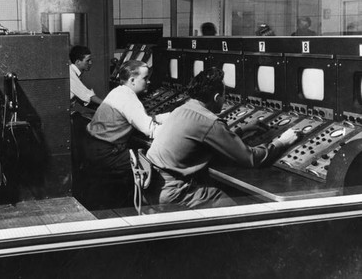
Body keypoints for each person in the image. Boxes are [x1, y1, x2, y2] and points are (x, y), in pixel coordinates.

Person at [146, 67, 302, 209]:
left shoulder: (182, 109)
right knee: (236, 207)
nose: (225, 100)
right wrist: (282, 141)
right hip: (174, 193)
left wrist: (241, 130)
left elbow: (208, 138)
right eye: (224, 96)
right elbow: (251, 158)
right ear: (216, 97)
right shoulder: (209, 121)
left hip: (152, 186)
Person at [84, 60, 170, 208]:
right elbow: (151, 130)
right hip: (108, 154)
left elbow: (142, 119)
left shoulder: (119, 91)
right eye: (145, 78)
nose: (148, 82)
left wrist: (169, 116)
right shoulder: (129, 98)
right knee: (154, 166)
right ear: (132, 80)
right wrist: (179, 124)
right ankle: (144, 210)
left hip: (94, 149)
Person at [69, 45, 102, 110]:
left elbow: (81, 99)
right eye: (88, 60)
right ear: (78, 62)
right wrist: (107, 104)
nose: (90, 62)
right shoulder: (70, 73)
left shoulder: (75, 73)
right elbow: (88, 95)